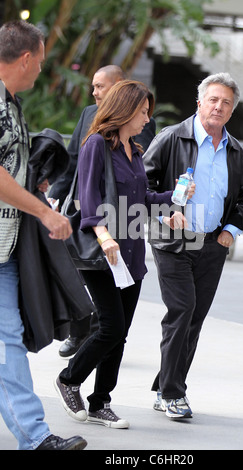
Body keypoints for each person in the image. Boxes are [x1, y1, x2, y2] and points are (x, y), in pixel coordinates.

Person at [54, 80, 180, 429]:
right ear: (125, 110)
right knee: (110, 327)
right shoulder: (97, 144)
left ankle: (100, 403)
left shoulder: (135, 151)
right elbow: (88, 195)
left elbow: (139, 199)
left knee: (119, 333)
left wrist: (171, 200)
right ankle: (68, 379)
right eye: (142, 112)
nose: (145, 119)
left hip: (131, 253)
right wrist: (104, 233)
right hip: (102, 250)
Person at [143, 72, 243, 420]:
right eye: (213, 99)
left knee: (193, 318)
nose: (219, 107)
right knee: (182, 310)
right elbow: (142, 182)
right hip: (173, 241)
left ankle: (164, 385)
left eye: (226, 102)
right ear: (199, 102)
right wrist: (165, 213)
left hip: (212, 245)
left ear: (232, 110)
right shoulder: (171, 138)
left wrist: (232, 230)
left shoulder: (236, 151)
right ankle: (172, 393)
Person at [0, 20, 87, 450]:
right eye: (42, 61)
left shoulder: (11, 103)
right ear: (27, 58)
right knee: (6, 343)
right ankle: (35, 438)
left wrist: (32, 185)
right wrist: (44, 212)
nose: (43, 70)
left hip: (6, 246)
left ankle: (34, 438)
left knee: (7, 340)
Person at [50, 65, 156, 357]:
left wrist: (172, 200)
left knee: (111, 312)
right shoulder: (87, 115)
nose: (95, 92)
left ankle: (97, 335)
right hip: (86, 209)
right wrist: (55, 197)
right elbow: (73, 158)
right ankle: (85, 330)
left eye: (101, 86)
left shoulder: (140, 121)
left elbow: (135, 172)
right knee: (85, 271)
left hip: (120, 219)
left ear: (121, 89)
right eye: (93, 86)